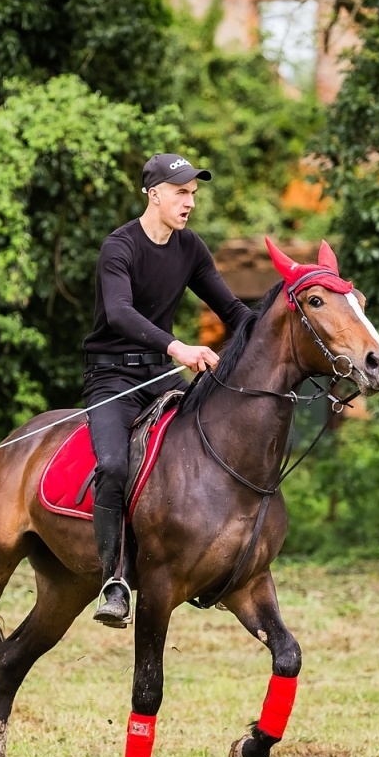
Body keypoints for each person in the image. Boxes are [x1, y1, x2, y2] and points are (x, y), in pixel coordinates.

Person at [84, 153, 253, 627]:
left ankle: (208, 563)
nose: (190, 202)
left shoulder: (190, 247)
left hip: (160, 377)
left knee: (210, 448)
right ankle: (114, 581)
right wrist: (178, 346)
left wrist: (276, 335)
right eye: (181, 192)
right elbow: (120, 313)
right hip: (111, 378)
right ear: (154, 194)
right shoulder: (119, 247)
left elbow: (232, 310)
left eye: (193, 193)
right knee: (113, 465)